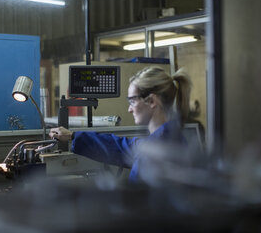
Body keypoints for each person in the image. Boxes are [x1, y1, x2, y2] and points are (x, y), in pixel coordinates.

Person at [49, 66, 192, 182]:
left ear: (152, 101)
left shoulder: (155, 152)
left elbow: (138, 205)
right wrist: (73, 135)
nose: (129, 109)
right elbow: (122, 146)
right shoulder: (169, 138)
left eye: (132, 101)